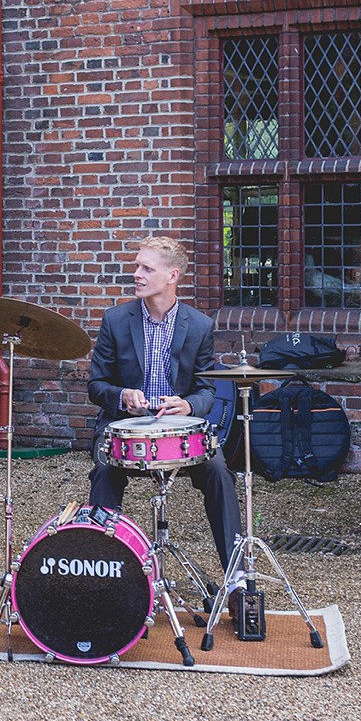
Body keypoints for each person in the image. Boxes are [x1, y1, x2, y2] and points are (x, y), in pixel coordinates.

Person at [86, 237, 243, 591]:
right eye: (137, 266)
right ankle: (101, 579)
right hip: (123, 428)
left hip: (178, 432)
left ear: (172, 276)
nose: (136, 274)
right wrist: (122, 396)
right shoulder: (115, 320)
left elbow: (206, 389)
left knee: (219, 472)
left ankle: (237, 581)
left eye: (146, 268)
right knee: (104, 471)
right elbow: (96, 386)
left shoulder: (199, 325)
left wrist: (187, 406)